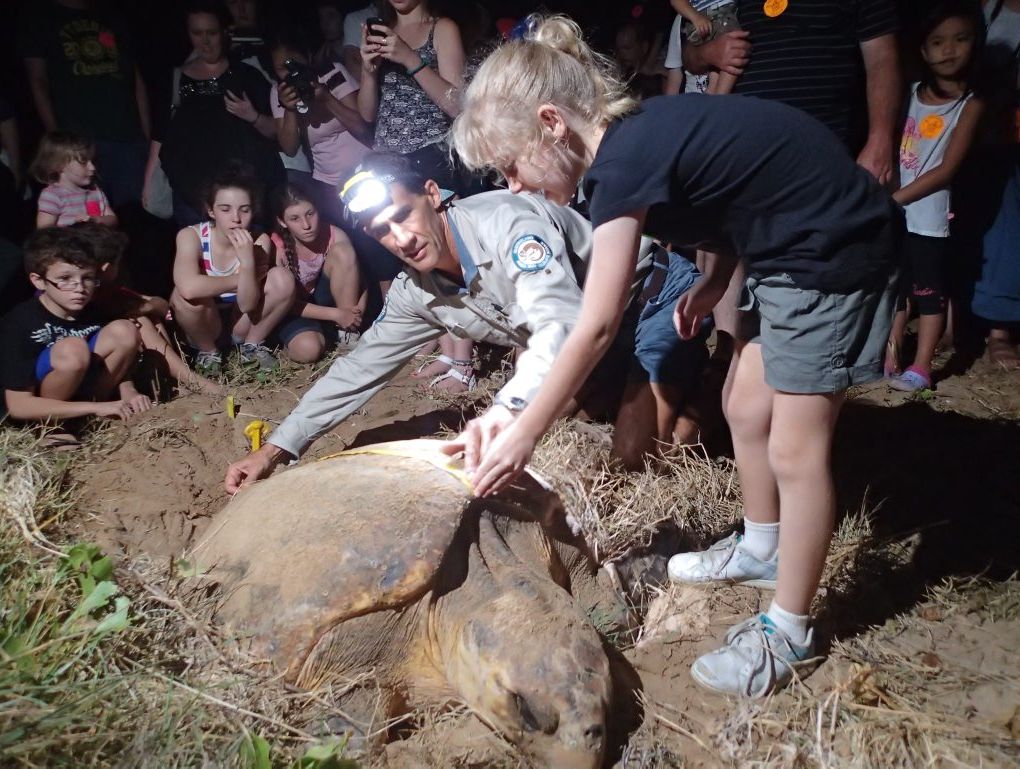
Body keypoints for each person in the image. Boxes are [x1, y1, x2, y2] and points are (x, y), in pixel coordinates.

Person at [448, 15, 900, 698]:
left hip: (834, 247)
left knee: (795, 447)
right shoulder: (638, 144)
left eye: (512, 164)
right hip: (782, 243)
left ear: (552, 123)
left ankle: (790, 627)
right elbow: (732, 191)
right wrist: (716, 280)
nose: (512, 184)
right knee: (744, 403)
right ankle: (761, 544)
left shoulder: (622, 164)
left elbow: (596, 324)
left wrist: (524, 431)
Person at [223, 152, 710, 492]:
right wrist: (277, 449)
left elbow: (561, 325)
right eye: (382, 231)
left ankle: (711, 375)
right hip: (594, 341)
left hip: (653, 300)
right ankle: (646, 391)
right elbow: (359, 369)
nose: (401, 239)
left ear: (432, 194)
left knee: (634, 457)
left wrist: (507, 407)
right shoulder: (417, 291)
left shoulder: (507, 223)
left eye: (403, 215)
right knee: (565, 424)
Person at [886, 2, 985, 391]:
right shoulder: (908, 92)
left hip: (928, 215)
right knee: (896, 288)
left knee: (928, 292)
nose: (949, 50)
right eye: (938, 42)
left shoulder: (971, 102)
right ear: (923, 50)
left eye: (960, 39)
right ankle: (890, 357)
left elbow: (947, 168)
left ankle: (923, 367)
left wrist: (895, 198)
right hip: (896, 211)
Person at [0, 226, 152, 440]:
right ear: (38, 280)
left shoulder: (94, 312)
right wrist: (89, 407)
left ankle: (88, 419)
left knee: (124, 330)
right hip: (38, 410)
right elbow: (18, 405)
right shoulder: (18, 323)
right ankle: (52, 429)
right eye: (65, 278)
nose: (79, 287)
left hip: (86, 401)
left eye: (87, 278)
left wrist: (129, 389)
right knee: (73, 349)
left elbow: (120, 366)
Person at [144, 1, 284, 226]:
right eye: (197, 33)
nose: (205, 41)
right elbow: (161, 133)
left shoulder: (247, 75)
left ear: (225, 32)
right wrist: (149, 181)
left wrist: (252, 116)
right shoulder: (175, 79)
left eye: (212, 32)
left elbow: (278, 132)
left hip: (243, 197)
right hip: (191, 194)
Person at [19, 0, 150, 209]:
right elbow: (38, 81)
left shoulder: (112, 15)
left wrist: (146, 133)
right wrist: (57, 140)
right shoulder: (41, 19)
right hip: (78, 140)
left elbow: (135, 77)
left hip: (127, 135)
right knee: (88, 216)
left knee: (135, 211)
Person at [170, 166, 295, 376]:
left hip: (242, 320)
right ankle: (209, 353)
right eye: (225, 209)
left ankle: (251, 347)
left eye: (244, 210)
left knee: (283, 279)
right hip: (207, 323)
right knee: (180, 296)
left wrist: (247, 262)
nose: (236, 218)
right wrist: (242, 277)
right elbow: (189, 288)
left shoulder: (259, 240)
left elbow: (247, 304)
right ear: (211, 210)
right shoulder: (191, 236)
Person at [77, 222, 223, 396]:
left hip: (115, 366)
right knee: (142, 322)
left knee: (147, 317)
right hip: (92, 374)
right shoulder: (83, 297)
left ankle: (174, 382)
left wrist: (144, 307)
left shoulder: (108, 290)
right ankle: (189, 380)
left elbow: (161, 306)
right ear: (107, 268)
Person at [269, 34, 373, 225]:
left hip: (368, 169)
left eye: (293, 64)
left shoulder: (332, 74)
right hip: (330, 183)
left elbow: (362, 126)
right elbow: (289, 149)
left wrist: (326, 98)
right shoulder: (278, 93)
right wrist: (289, 109)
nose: (290, 72)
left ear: (307, 57)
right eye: (282, 68)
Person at [271, 184, 366, 363]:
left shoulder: (334, 234)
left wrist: (355, 314)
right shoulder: (276, 247)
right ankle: (290, 340)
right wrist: (336, 314)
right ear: (282, 222)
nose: (306, 225)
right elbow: (281, 304)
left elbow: (362, 279)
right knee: (309, 351)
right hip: (294, 310)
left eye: (310, 214)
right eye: (295, 218)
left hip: (329, 302)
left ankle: (347, 335)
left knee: (344, 252)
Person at [30, 133, 117, 229]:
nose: (92, 167)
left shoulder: (95, 191)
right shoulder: (52, 195)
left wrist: (97, 220)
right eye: (83, 162)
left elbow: (112, 219)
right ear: (58, 165)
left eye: (93, 161)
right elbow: (45, 232)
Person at [669, 0, 740, 94]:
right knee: (735, 47)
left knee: (728, 52)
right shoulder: (680, 21)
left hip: (723, 14)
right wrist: (695, 17)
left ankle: (713, 91)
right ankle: (720, 96)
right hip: (709, 16)